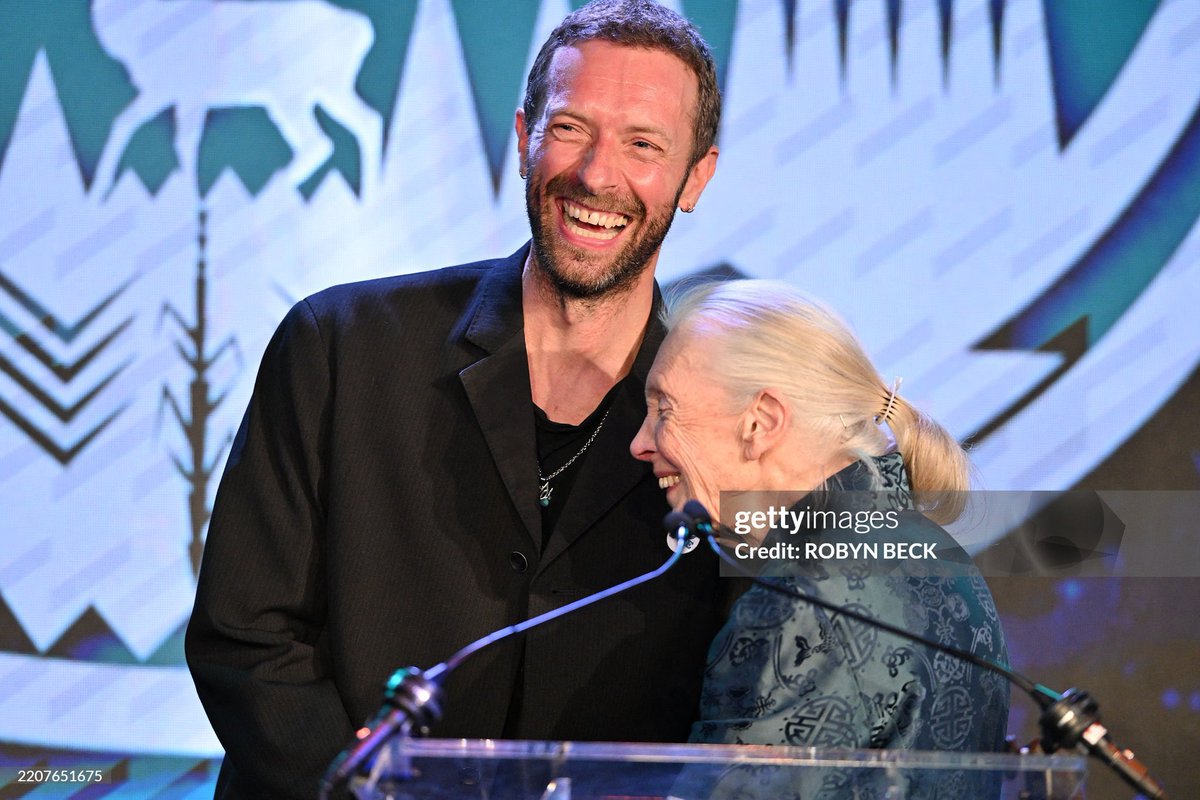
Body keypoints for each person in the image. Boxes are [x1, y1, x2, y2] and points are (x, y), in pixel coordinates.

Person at [185, 2, 724, 797]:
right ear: (523, 138)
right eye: (572, 128)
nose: (597, 174)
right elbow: (247, 636)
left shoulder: (722, 421)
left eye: (644, 144)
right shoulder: (340, 343)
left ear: (695, 177)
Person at [630, 280, 1010, 758]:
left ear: (760, 422)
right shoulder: (938, 552)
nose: (640, 443)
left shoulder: (802, 594)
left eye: (664, 408)